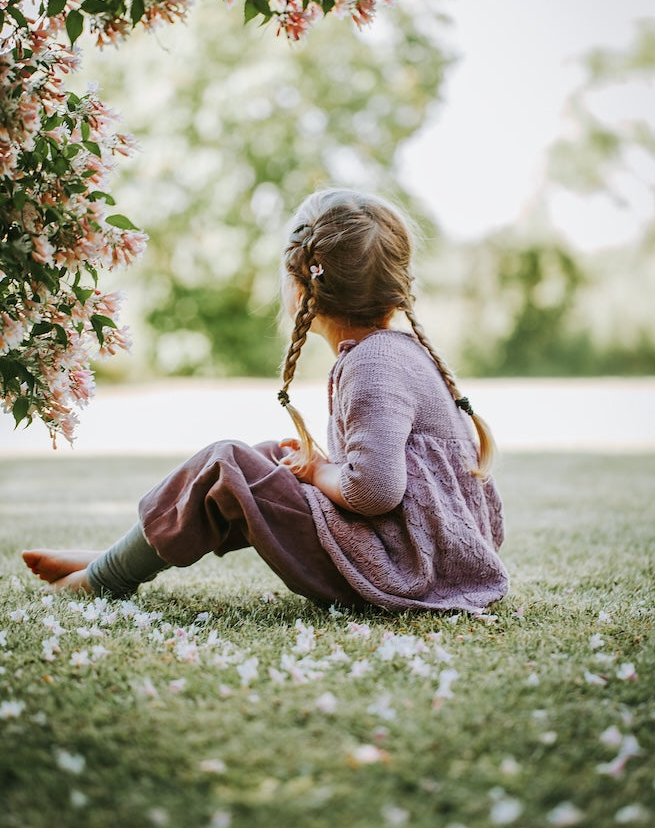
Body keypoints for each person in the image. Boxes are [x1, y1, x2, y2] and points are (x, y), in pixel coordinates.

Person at [22, 189, 509, 612]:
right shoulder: (392, 354)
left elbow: (374, 491)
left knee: (228, 464)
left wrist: (320, 472)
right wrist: (313, 465)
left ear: (301, 289)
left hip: (401, 574)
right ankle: (119, 556)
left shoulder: (374, 366)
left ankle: (108, 574)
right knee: (274, 458)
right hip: (417, 560)